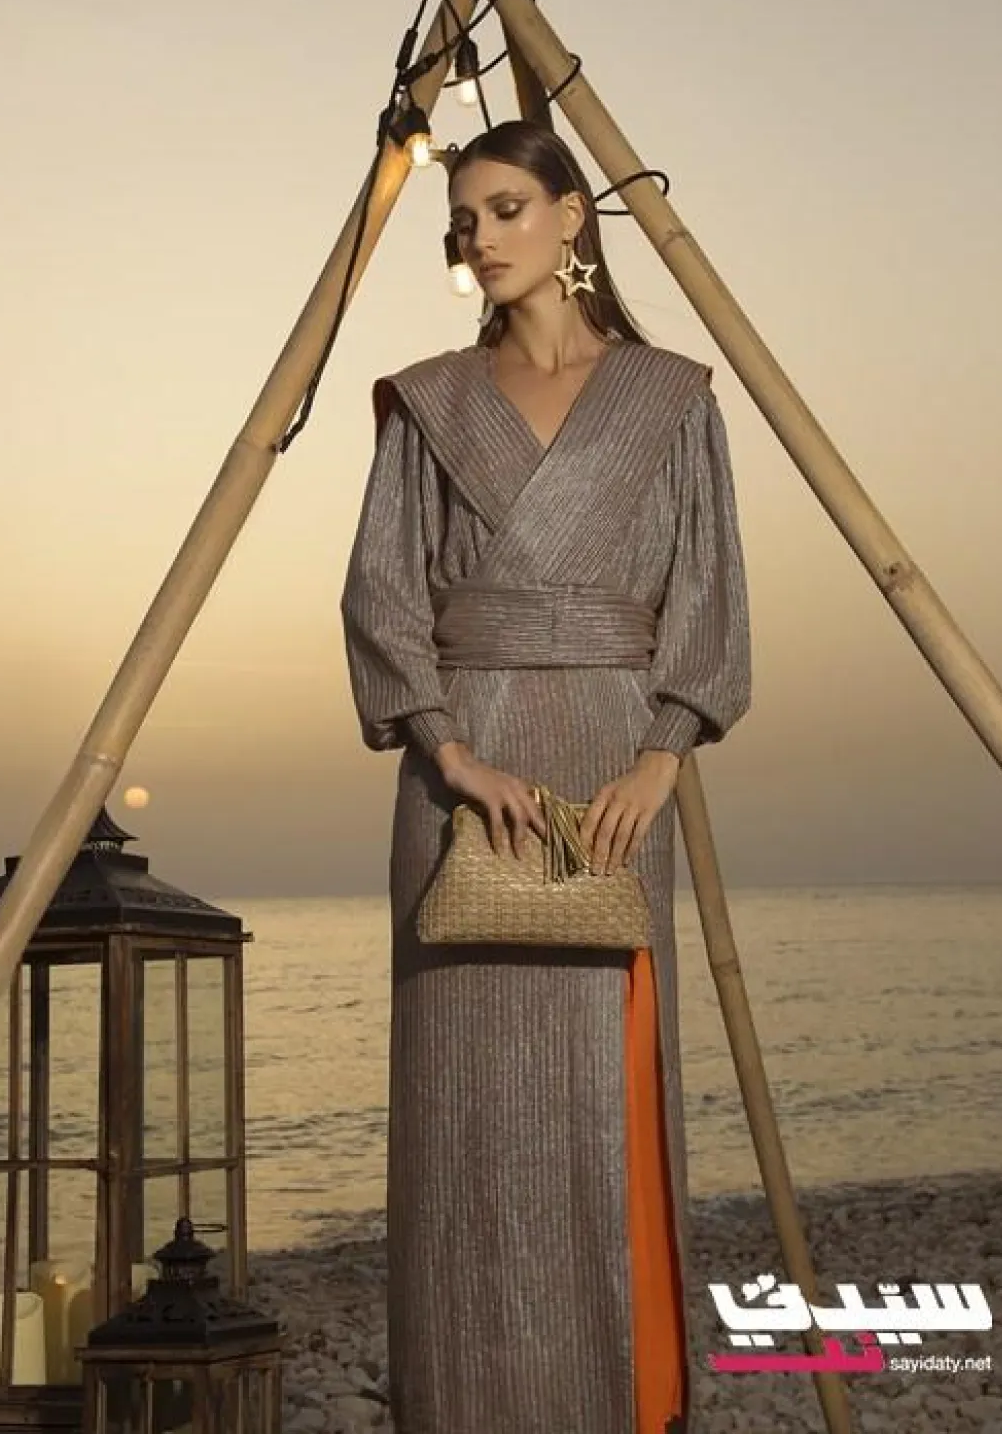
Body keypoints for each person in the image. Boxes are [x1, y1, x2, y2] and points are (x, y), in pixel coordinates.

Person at [340, 119, 751, 1434]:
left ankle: (617, 1402)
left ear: (574, 216)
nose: (482, 238)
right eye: (464, 220)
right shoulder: (429, 404)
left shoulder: (671, 399)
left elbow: (708, 596)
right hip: (460, 783)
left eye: (508, 208)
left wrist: (660, 757)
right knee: (463, 1121)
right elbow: (382, 595)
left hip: (614, 777)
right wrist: (452, 753)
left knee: (597, 1101)